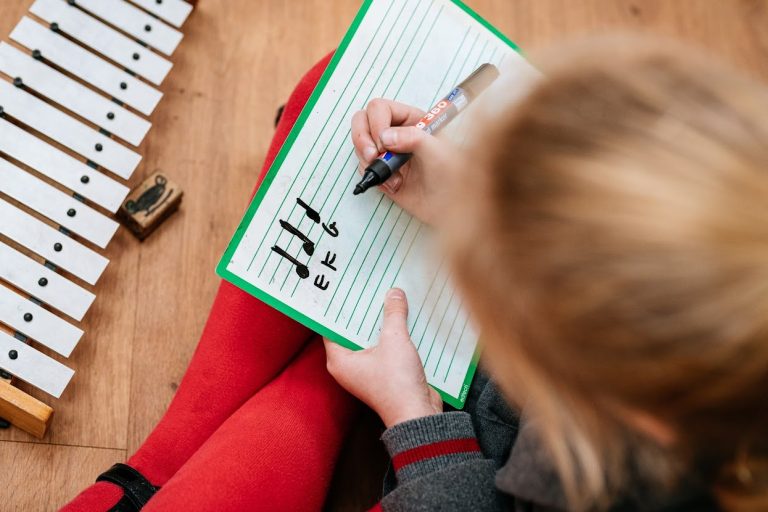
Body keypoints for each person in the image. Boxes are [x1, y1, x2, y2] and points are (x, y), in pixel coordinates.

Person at [64, 37, 768, 511]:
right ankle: (170, 456)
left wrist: (413, 416)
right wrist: (479, 203)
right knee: (337, 85)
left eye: (502, 276)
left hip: (459, 457)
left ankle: (168, 463)